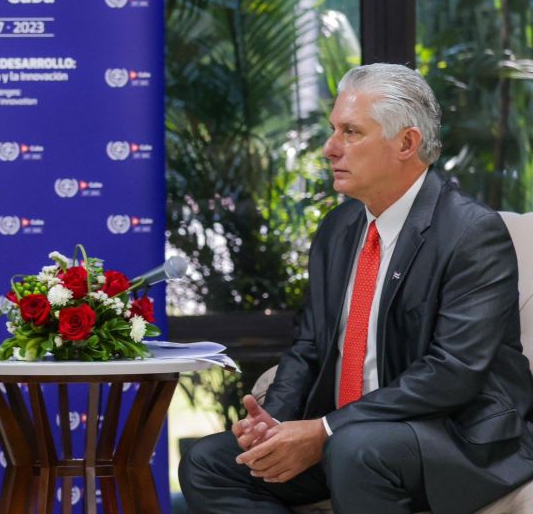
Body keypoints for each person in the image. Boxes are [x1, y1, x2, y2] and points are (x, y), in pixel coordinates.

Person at [179, 63, 533, 514]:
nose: (329, 149)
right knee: (207, 463)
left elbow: (453, 372)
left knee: (353, 449)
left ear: (407, 143)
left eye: (350, 132)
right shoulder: (338, 228)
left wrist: (324, 430)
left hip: (456, 436)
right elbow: (309, 346)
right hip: (354, 431)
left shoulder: (470, 232)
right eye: (333, 130)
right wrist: (276, 424)